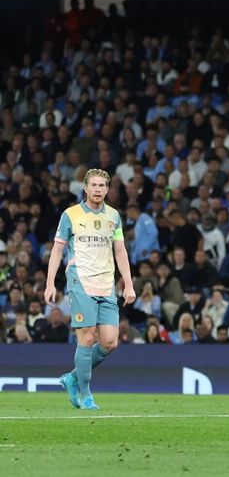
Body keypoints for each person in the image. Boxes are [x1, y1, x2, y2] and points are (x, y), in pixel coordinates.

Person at [42, 169, 136, 410]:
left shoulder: (114, 217)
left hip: (106, 285)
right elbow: (57, 250)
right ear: (85, 188)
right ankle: (86, 395)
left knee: (110, 342)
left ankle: (72, 378)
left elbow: (120, 251)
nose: (97, 189)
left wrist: (128, 283)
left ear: (107, 189)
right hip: (80, 281)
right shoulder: (70, 215)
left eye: (102, 185)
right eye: (93, 185)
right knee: (86, 337)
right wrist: (50, 282)